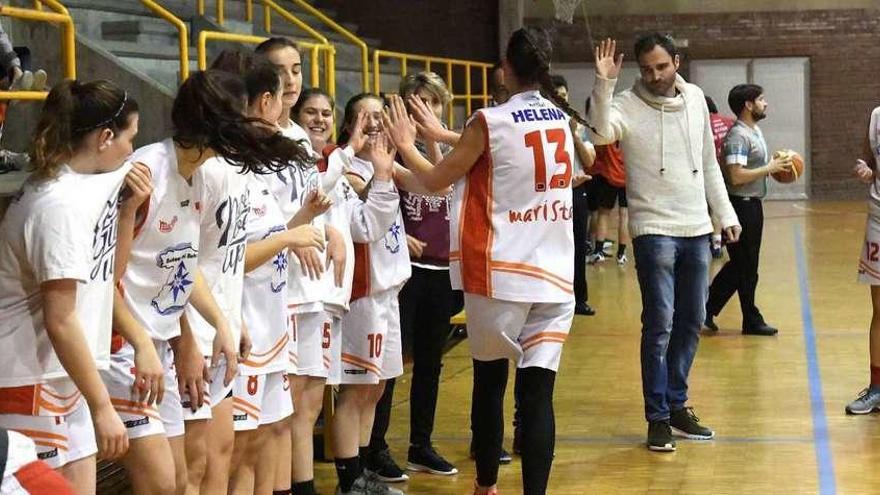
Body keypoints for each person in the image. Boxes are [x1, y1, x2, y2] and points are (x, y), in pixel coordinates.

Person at [388, 26, 583, 495]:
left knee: (491, 382)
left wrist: (407, 140)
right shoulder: (560, 117)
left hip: (500, 272)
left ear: (505, 69)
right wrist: (444, 132)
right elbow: (512, 151)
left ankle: (487, 486)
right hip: (556, 275)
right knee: (537, 395)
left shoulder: (488, 120)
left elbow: (436, 178)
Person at [105, 69, 312, 494]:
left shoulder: (201, 173)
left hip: (164, 340)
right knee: (173, 479)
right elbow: (108, 275)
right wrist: (173, 341)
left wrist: (221, 322)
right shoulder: (147, 171)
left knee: (190, 473)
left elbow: (184, 267)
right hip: (125, 344)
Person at [587, 35, 741, 452]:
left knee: (693, 319)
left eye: (662, 67)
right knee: (660, 325)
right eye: (647, 69)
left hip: (696, 228)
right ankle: (657, 417)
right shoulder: (625, 104)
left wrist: (724, 214)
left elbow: (708, 162)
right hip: (653, 229)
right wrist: (604, 84)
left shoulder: (693, 98)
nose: (655, 76)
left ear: (676, 61)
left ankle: (677, 404)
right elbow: (601, 135)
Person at [0, 79, 139, 493]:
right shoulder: (56, 206)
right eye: (131, 138)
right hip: (28, 378)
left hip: (63, 377)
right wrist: (103, 406)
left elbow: (105, 278)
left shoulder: (82, 184)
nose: (134, 150)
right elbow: (60, 320)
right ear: (105, 137)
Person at [365, 71, 461, 481]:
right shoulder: (389, 149)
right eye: (416, 101)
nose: (425, 110)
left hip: (441, 268)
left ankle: (421, 444)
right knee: (390, 366)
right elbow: (367, 202)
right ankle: (376, 447)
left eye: (433, 102)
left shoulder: (450, 148)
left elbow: (443, 187)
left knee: (429, 364)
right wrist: (398, 233)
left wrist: (435, 137)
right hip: (402, 273)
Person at [705, 85, 790, 336]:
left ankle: (708, 308)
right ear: (748, 105)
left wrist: (777, 166)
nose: (766, 104)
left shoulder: (754, 130)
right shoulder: (737, 137)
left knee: (743, 265)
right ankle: (747, 318)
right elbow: (736, 175)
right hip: (740, 207)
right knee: (745, 266)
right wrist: (770, 168)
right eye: (761, 99)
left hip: (753, 205)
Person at [550, 75, 597, 315]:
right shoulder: (544, 126)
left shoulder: (577, 124)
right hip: (551, 195)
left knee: (579, 246)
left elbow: (589, 160)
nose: (561, 101)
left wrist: (574, 134)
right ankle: (554, 297)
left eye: (564, 97)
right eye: (557, 97)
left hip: (576, 193)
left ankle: (579, 298)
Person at [847, 106, 880, 414]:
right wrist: (866, 170)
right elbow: (870, 162)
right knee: (879, 310)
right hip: (879, 220)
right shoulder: (875, 117)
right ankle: (877, 388)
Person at [706, 96, 736, 259]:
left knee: (705, 208)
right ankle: (717, 243)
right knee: (718, 206)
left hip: (706, 170)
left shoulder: (702, 124)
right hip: (726, 169)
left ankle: (705, 241)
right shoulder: (729, 122)